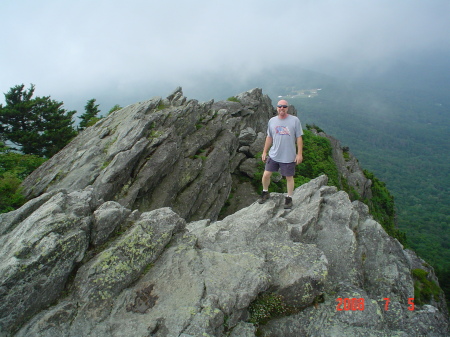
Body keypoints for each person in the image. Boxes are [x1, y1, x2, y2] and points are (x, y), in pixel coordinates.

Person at [258, 99, 303, 209]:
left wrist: (299, 154)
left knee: (289, 177)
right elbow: (269, 137)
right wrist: (264, 152)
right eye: (279, 106)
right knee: (266, 175)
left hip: (288, 156)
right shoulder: (272, 121)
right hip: (274, 154)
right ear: (277, 108)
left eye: (284, 106)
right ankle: (265, 192)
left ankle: (289, 198)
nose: (282, 108)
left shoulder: (294, 120)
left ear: (287, 108)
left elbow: (299, 138)